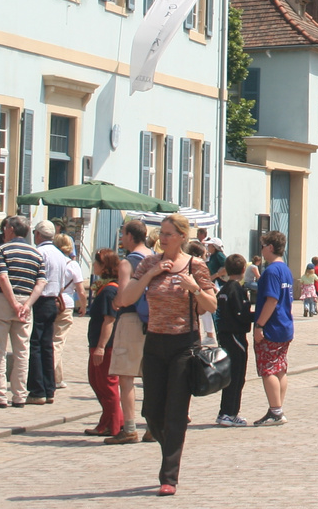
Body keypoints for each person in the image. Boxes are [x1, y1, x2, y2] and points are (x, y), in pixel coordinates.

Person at [118, 212, 217, 496]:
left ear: (182, 237)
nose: (162, 238)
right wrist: (151, 273)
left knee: (175, 411)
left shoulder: (195, 265)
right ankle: (172, 443)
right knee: (151, 411)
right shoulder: (150, 262)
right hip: (155, 341)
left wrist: (194, 288)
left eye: (168, 234)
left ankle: (169, 476)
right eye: (160, 233)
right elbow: (126, 298)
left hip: (184, 344)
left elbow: (211, 305)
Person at [0, 215, 44, 408]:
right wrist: (26, 305)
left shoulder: (3, 249)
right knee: (22, 351)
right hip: (26, 299)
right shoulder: (36, 254)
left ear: (10, 229)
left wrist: (13, 303)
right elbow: (41, 282)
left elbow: (2, 277)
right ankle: (19, 395)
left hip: (3, 300)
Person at [104, 217, 152, 445]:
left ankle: (130, 427)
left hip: (131, 319)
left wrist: (115, 303)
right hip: (153, 321)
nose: (121, 239)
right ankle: (152, 426)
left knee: (126, 376)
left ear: (131, 237)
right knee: (151, 376)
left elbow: (123, 298)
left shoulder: (128, 262)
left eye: (123, 234)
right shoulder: (155, 258)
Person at [252, 230, 294, 426]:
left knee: (268, 369)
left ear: (270, 247)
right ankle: (277, 407)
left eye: (263, 246)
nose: (261, 251)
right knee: (280, 369)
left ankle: (275, 411)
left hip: (272, 326)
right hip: (285, 325)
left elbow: (271, 300)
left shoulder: (270, 271)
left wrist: (259, 325)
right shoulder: (286, 269)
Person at [26, 220, 68, 405]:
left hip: (40, 300)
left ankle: (37, 389)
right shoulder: (59, 255)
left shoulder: (38, 253)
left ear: (38, 235)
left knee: (35, 344)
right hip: (52, 300)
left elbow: (34, 279)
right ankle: (49, 388)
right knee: (47, 345)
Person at [83, 249, 123, 438]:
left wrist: (100, 346)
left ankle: (114, 425)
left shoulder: (109, 290)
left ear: (105, 265)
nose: (94, 265)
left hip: (105, 345)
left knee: (106, 385)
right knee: (96, 381)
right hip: (99, 343)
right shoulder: (105, 287)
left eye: (96, 262)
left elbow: (109, 320)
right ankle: (109, 420)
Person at [214, 254, 254, 426]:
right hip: (235, 336)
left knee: (231, 375)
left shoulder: (223, 289)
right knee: (237, 376)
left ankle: (227, 411)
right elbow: (241, 314)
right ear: (244, 270)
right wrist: (257, 316)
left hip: (225, 335)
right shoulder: (236, 289)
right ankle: (229, 412)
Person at [51, 233, 84, 390]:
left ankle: (58, 378)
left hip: (50, 301)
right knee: (58, 341)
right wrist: (83, 305)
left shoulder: (51, 260)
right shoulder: (72, 264)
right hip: (66, 304)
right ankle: (49, 374)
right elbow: (80, 289)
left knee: (53, 340)